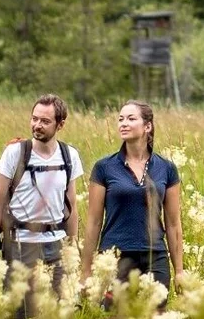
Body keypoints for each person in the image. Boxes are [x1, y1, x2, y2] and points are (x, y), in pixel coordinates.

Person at [0, 94, 86, 317]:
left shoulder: (70, 156)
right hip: (20, 244)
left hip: (56, 245)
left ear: (61, 124)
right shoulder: (15, 153)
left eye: (45, 121)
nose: (37, 125)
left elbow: (72, 205)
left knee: (61, 308)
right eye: (34, 119)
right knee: (21, 311)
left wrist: (72, 246)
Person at [82, 100, 183, 305]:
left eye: (131, 118)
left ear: (147, 126)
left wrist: (179, 270)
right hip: (114, 258)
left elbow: (173, 224)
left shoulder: (167, 168)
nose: (123, 123)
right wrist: (85, 270)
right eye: (120, 119)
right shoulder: (104, 168)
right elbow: (93, 222)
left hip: (155, 258)